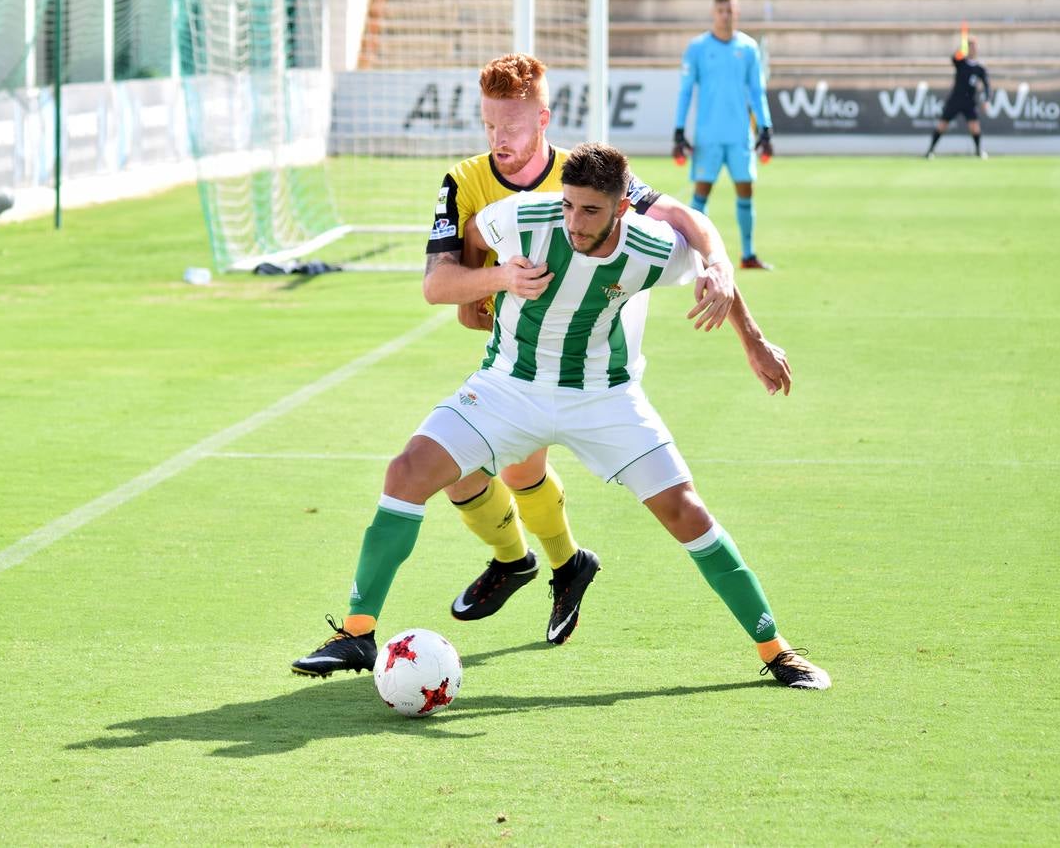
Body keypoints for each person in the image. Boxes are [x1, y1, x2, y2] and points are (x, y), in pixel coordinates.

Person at [291, 142, 830, 691]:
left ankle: (777, 650)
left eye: (590, 210)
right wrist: (482, 286)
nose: (573, 221)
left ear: (623, 208)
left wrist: (752, 338)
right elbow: (473, 234)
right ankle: (356, 633)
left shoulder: (652, 247)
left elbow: (706, 252)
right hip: (508, 386)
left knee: (685, 511)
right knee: (406, 472)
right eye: (568, 205)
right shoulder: (524, 219)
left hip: (603, 396)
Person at [425, 53, 738, 648]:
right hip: (517, 352)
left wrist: (734, 298)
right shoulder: (464, 181)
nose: (498, 140)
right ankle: (544, 563)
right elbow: (455, 292)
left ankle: (544, 563)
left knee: (503, 467)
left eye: (510, 127)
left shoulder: (586, 174)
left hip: (592, 355)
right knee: (486, 474)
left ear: (542, 119)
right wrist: (487, 285)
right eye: (488, 126)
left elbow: (682, 219)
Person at [673, 0, 774, 271]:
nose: (725, 15)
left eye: (730, 10)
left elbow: (757, 92)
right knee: (700, 195)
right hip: (708, 137)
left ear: (737, 13)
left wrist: (765, 127)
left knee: (746, 191)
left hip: (740, 135)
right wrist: (679, 131)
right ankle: (693, 257)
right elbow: (685, 92)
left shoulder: (748, 48)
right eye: (721, 11)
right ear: (713, 13)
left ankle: (748, 254)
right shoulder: (698, 48)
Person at [925, 35, 991, 159]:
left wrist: (986, 100)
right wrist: (962, 47)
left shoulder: (980, 68)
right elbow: (954, 58)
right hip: (955, 99)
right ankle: (930, 151)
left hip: (969, 102)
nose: (973, 49)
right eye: (970, 47)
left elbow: (987, 85)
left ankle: (978, 151)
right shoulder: (961, 63)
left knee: (974, 127)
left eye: (974, 47)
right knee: (942, 125)